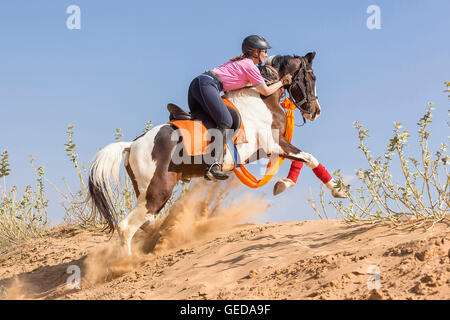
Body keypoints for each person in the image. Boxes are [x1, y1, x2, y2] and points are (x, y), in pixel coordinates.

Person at [188, 35, 292, 181]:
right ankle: (213, 165)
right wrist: (282, 82)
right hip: (207, 86)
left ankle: (189, 161)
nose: (266, 55)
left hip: (198, 85)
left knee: (212, 123)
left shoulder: (241, 62)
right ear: (256, 52)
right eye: (264, 51)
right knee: (226, 121)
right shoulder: (250, 66)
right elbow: (267, 92)